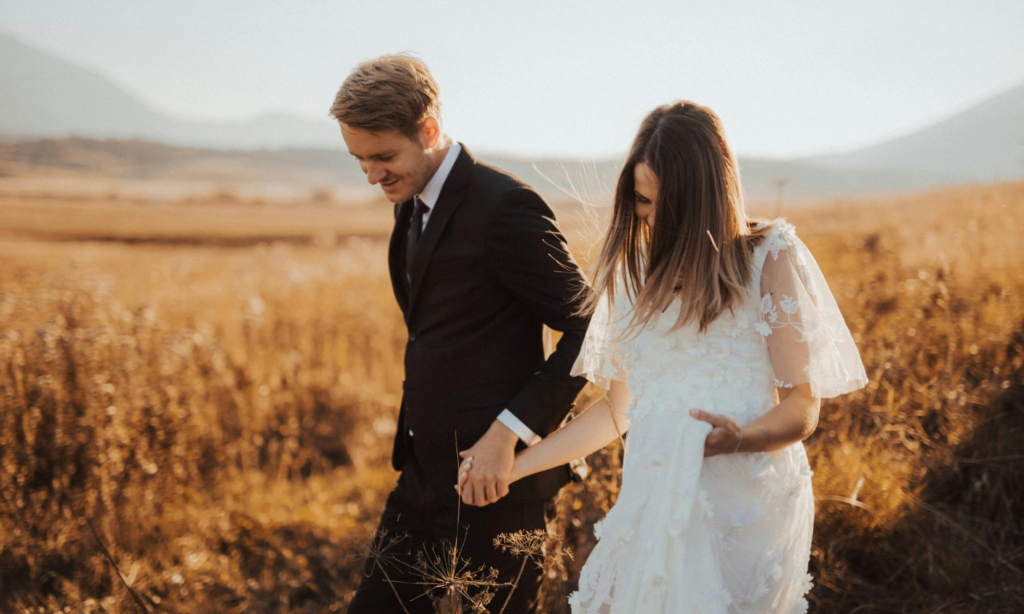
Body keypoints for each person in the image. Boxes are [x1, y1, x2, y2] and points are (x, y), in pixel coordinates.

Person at [459, 101, 868, 613]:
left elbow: (802, 408)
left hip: (744, 508)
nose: (646, 217)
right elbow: (617, 410)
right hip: (652, 504)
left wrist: (740, 438)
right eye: (640, 200)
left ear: (703, 199)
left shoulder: (768, 257)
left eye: (660, 204)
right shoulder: (631, 276)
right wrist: (513, 467)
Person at [332, 55, 591, 614]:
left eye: (383, 156)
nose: (372, 175)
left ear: (428, 130)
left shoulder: (505, 208)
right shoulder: (411, 203)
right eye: (359, 160)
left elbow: (593, 327)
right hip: (422, 480)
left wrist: (508, 434)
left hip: (501, 485)